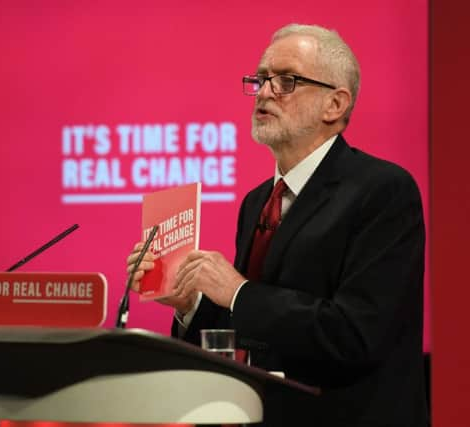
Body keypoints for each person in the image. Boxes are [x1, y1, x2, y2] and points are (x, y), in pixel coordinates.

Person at [126, 23, 428, 427]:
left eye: (287, 81)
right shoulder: (256, 202)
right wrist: (190, 305)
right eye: (262, 79)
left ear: (335, 105)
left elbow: (355, 334)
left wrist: (237, 290)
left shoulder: (383, 190)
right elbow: (252, 333)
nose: (265, 92)